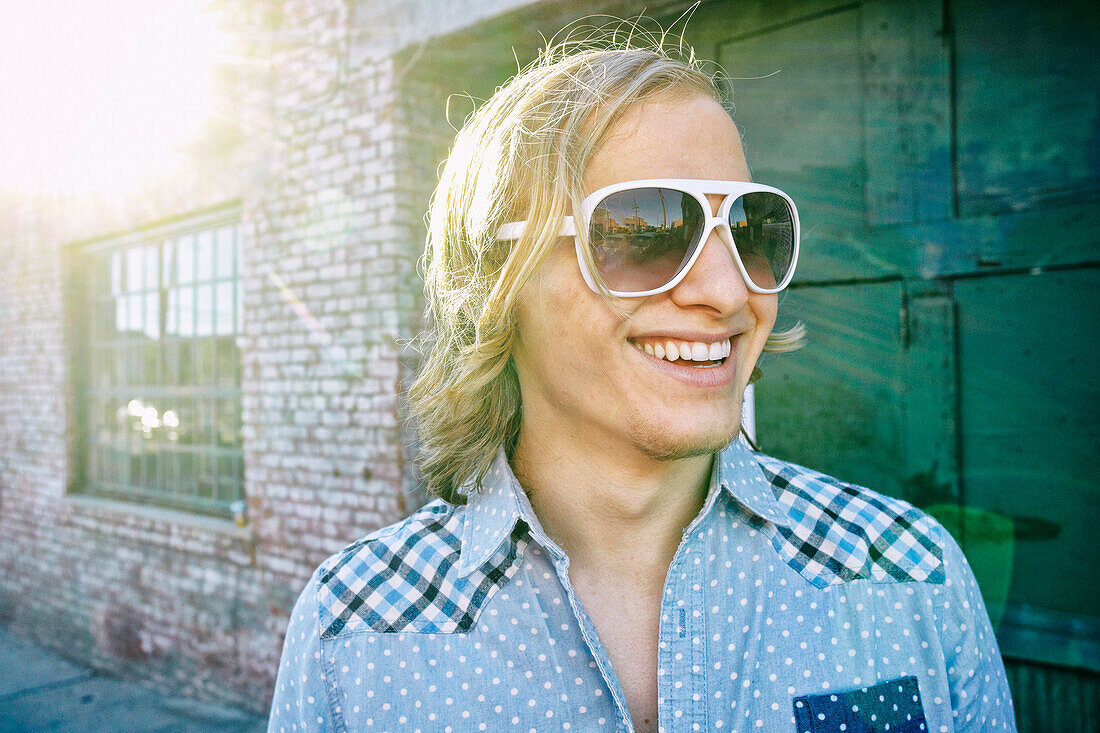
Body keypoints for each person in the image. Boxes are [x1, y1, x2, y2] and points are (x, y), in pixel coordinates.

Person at [268, 37, 1016, 733]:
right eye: (645, 230)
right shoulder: (359, 637)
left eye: (751, 229)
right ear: (496, 279)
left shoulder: (909, 581)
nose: (727, 291)